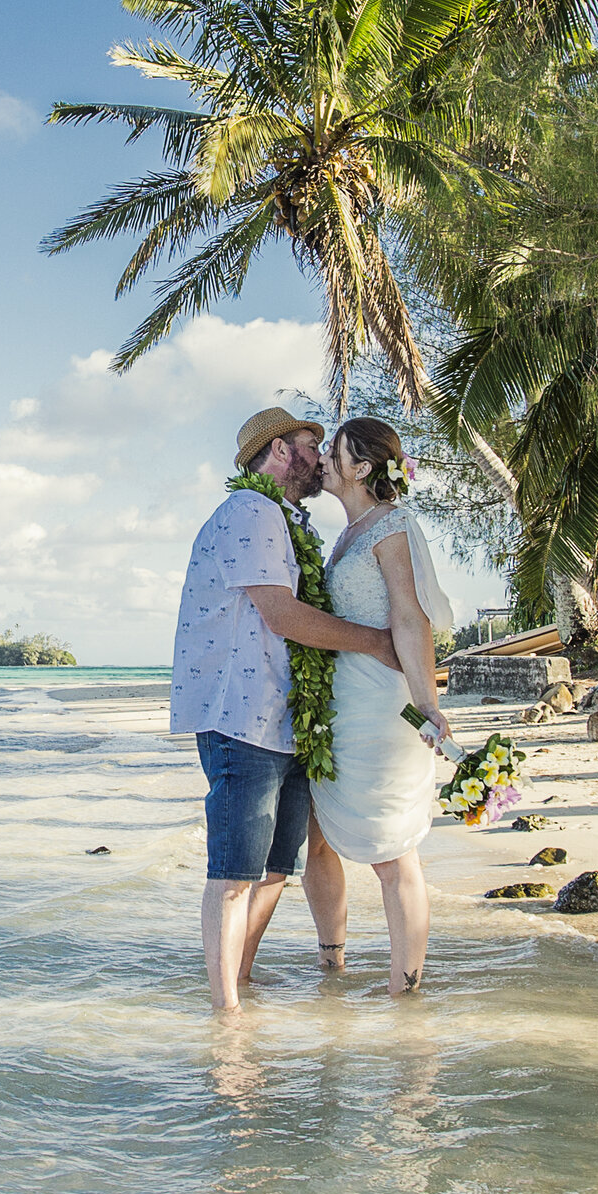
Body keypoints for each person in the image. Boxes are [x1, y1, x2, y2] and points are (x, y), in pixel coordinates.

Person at [175, 406, 403, 1012]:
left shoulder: (284, 518)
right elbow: (283, 614)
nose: (321, 452)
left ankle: (240, 984)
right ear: (280, 451)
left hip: (286, 719)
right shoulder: (251, 511)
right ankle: (225, 1020)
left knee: (278, 867)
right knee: (233, 874)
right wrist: (380, 644)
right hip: (242, 719)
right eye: (311, 442)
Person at [310, 416, 461, 995]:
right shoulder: (349, 533)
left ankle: (407, 988)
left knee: (393, 852)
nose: (323, 457)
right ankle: (332, 965)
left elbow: (409, 614)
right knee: (318, 833)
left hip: (380, 705)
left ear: (362, 468)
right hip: (340, 706)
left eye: (335, 451)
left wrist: (427, 703)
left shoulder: (391, 527)